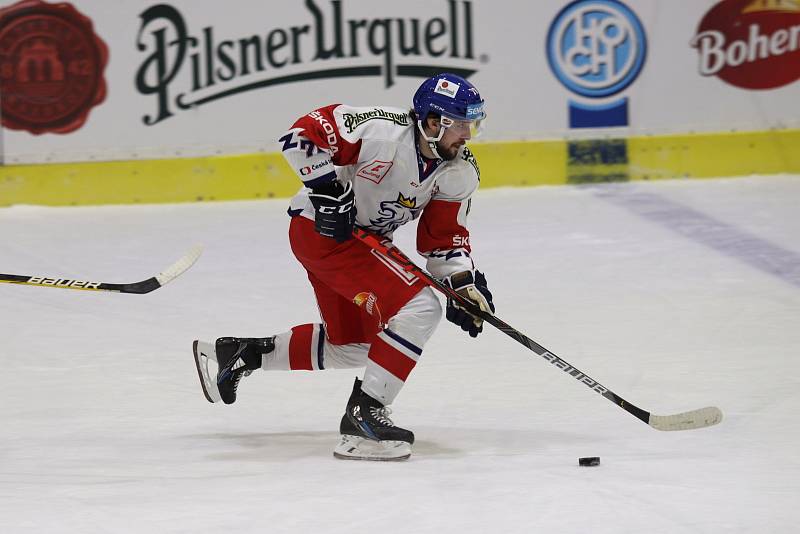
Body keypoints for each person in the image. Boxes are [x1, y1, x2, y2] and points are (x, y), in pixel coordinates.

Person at [193, 73, 495, 461]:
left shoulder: (459, 171)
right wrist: (327, 190)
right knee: (420, 307)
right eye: (461, 124)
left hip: (359, 244)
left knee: (358, 347)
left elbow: (442, 241)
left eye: (473, 123)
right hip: (321, 232)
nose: (468, 134)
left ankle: (239, 354)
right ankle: (364, 416)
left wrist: (462, 285)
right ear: (433, 122)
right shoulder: (380, 131)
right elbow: (299, 137)